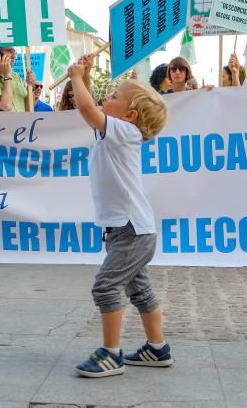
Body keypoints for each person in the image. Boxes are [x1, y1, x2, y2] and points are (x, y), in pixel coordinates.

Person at [68, 54, 172, 378]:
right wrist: (84, 77)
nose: (105, 98)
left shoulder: (126, 133)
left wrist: (74, 77)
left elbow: (87, 110)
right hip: (129, 230)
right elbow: (91, 109)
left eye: (113, 96)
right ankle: (157, 348)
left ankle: (111, 353)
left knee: (105, 287)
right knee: (139, 289)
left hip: (131, 230)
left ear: (130, 115)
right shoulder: (114, 132)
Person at [0, 46, 36, 112]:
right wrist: (7, 75)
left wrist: (30, 86)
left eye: (14, 52)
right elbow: (6, 105)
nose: (14, 56)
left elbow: (28, 108)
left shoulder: (16, 76)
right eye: (10, 51)